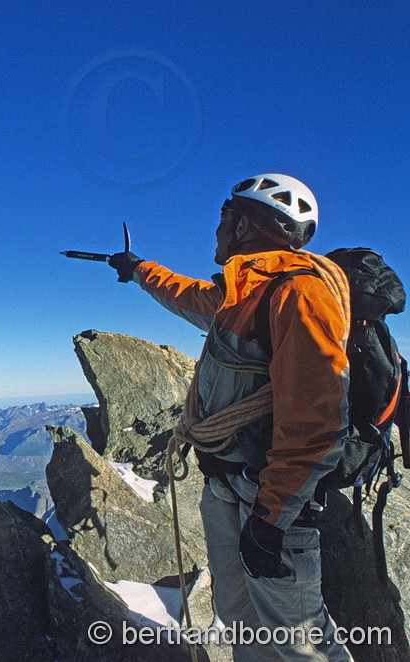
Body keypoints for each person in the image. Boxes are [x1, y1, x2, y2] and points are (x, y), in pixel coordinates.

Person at [108, 174, 353, 661]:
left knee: (299, 643)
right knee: (240, 618)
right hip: (228, 484)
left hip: (270, 501)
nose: (216, 227)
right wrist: (138, 269)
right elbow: (188, 294)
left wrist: (272, 518)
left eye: (223, 215)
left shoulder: (299, 294)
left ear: (243, 223)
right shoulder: (243, 295)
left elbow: (316, 421)